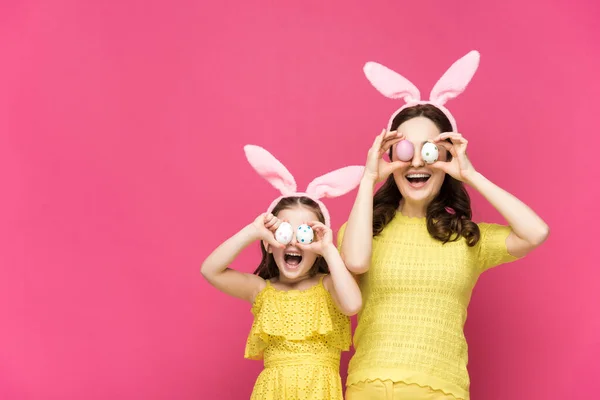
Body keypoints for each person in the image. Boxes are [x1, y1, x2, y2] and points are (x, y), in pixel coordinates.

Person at [339, 51, 550, 400]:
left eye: (431, 150)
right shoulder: (363, 228)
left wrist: (471, 174)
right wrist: (367, 178)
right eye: (405, 149)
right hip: (372, 387)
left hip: (444, 390)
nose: (417, 160)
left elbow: (536, 232)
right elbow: (357, 263)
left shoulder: (468, 238)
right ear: (389, 155)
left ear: (447, 157)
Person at [201, 145, 364, 400]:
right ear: (269, 242)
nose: (293, 243)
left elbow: (353, 304)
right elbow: (210, 270)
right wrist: (253, 231)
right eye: (285, 232)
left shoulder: (330, 285)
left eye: (304, 234)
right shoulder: (261, 290)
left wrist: (328, 249)